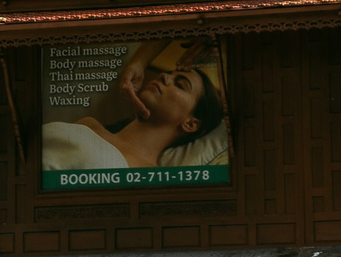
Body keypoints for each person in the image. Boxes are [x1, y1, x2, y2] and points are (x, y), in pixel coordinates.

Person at [39, 40, 227, 173]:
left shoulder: (149, 175)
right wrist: (138, 62)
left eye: (180, 85)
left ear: (191, 123)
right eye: (169, 73)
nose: (164, 76)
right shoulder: (88, 124)